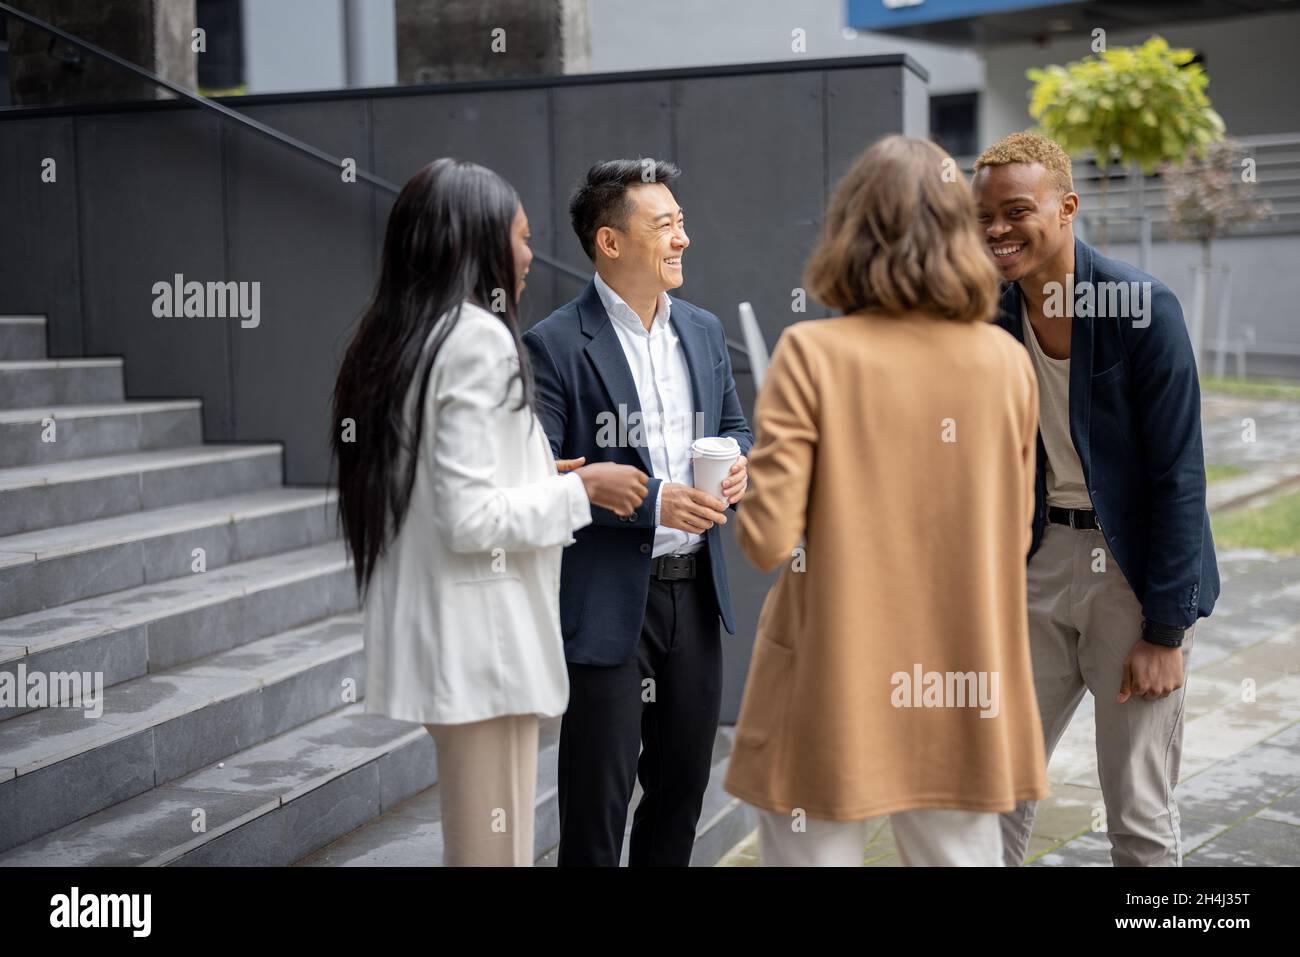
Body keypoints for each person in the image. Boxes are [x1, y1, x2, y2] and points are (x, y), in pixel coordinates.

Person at [722, 134, 1049, 867]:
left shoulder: (812, 356)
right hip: (963, 683)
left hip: (829, 685)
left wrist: (764, 466)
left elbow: (767, 540)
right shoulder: (1005, 362)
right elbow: (1016, 528)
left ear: (851, 231)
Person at [330, 158, 648, 866]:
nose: (532, 255)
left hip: (462, 644)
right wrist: (584, 490)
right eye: (522, 237)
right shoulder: (476, 340)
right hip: (483, 646)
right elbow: (469, 518)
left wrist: (541, 469)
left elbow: (443, 484)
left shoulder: (408, 336)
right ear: (472, 242)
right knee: (491, 853)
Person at [971, 131, 1219, 867]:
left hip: (1132, 575)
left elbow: (1181, 474)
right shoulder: (988, 313)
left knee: (1138, 814)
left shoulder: (1143, 308)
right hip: (1036, 564)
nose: (996, 231)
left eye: (1017, 211)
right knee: (991, 791)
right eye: (984, 215)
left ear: (1068, 207)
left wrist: (1166, 631)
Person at [522, 159, 753, 866]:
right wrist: (653, 499)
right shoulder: (555, 343)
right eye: (664, 225)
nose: (682, 238)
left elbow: (735, 425)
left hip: (696, 595)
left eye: (681, 223)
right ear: (610, 242)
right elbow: (543, 476)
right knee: (597, 804)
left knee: (682, 792)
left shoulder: (706, 331)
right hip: (606, 603)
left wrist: (738, 463)